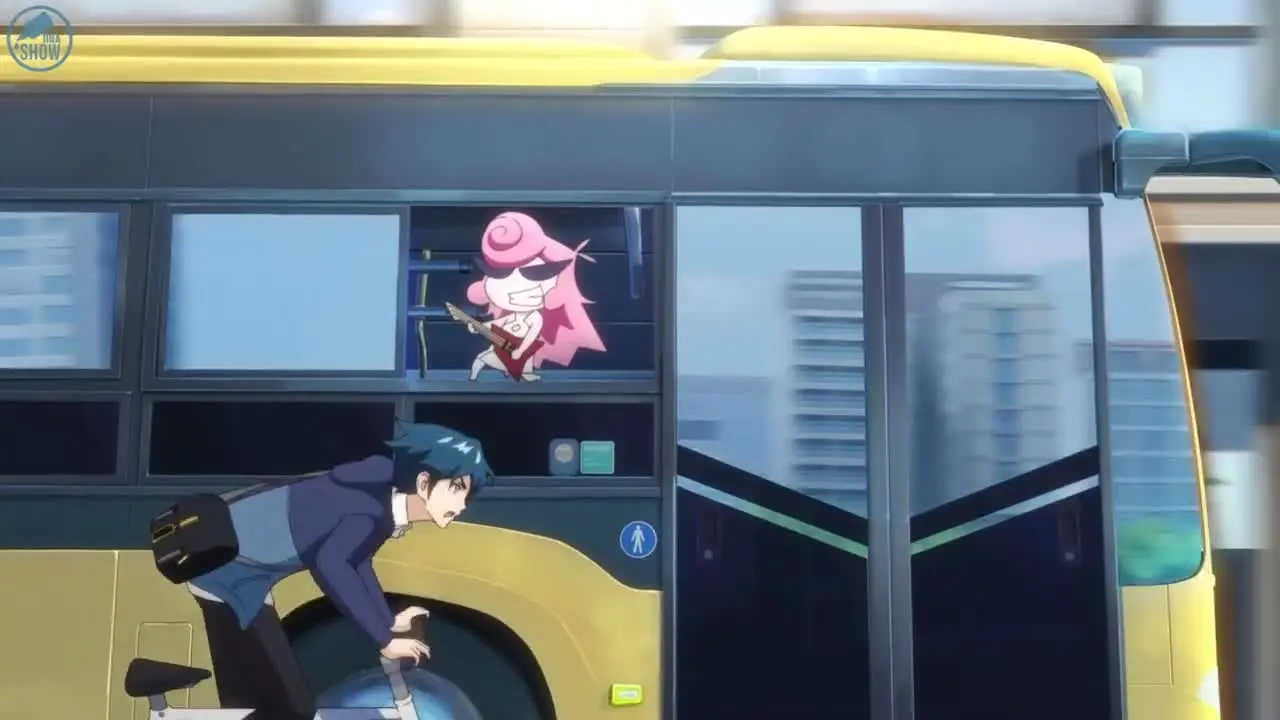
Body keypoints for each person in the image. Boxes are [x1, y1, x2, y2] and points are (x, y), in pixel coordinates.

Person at [183, 422, 493, 719]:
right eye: (456, 488)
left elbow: (358, 564)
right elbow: (332, 566)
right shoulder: (370, 511)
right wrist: (384, 640)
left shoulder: (380, 500)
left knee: (274, 700)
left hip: (243, 573)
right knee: (281, 705)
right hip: (226, 576)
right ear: (424, 483)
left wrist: (387, 623)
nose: (463, 504)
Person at [465, 211, 606, 381]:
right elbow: (500, 323)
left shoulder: (535, 318)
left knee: (519, 361)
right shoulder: (515, 314)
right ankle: (478, 378)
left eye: (537, 276)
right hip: (507, 350)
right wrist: (482, 326)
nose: (523, 292)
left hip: (520, 352)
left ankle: (521, 372)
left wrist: (520, 351)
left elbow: (531, 337)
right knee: (482, 359)